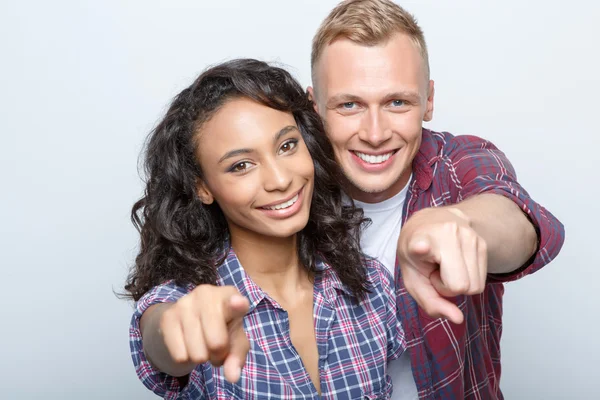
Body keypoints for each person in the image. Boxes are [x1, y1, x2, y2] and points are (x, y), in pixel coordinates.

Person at [306, 0, 565, 399]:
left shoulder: (459, 162)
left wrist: (460, 223)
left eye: (397, 102)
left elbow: (522, 225)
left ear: (428, 100)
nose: (375, 134)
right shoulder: (284, 188)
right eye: (350, 104)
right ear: (314, 107)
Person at [124, 59, 406, 399]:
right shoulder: (188, 300)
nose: (281, 179)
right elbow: (162, 335)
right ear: (203, 187)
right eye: (241, 165)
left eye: (287, 146)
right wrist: (177, 329)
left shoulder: (371, 284)